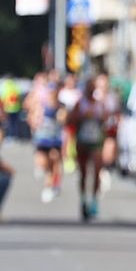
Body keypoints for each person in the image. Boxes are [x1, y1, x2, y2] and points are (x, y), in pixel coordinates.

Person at [69, 75, 112, 221]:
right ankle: (83, 200)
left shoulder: (100, 104)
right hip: (82, 140)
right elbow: (71, 120)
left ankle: (94, 200)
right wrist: (82, 116)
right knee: (83, 172)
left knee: (97, 170)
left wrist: (99, 117)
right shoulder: (80, 104)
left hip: (96, 140)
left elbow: (106, 120)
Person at [26, 73, 64, 203]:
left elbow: (64, 119)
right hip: (42, 137)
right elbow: (31, 117)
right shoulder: (41, 105)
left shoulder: (61, 106)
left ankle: (51, 185)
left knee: (55, 159)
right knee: (43, 163)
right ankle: (50, 179)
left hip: (55, 137)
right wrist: (35, 121)